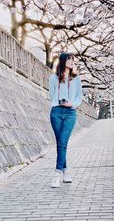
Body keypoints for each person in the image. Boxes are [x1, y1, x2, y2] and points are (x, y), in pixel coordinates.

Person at [49, 52, 83, 188]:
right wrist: (58, 101)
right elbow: (51, 94)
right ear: (63, 61)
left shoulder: (76, 79)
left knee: (63, 142)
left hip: (70, 113)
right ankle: (65, 171)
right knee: (60, 143)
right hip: (56, 112)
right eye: (69, 60)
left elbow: (79, 97)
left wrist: (72, 104)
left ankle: (57, 174)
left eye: (73, 60)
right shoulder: (53, 78)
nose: (72, 62)